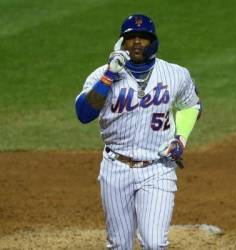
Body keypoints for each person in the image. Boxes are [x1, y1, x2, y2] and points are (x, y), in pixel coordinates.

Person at [75, 14, 202, 250]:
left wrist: (180, 140)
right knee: (120, 245)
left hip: (158, 167)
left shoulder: (176, 74)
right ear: (121, 43)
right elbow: (84, 114)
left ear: (153, 41)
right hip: (115, 168)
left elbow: (191, 105)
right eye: (130, 37)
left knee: (155, 244)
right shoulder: (101, 75)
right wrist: (109, 75)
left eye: (143, 37)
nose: (136, 42)